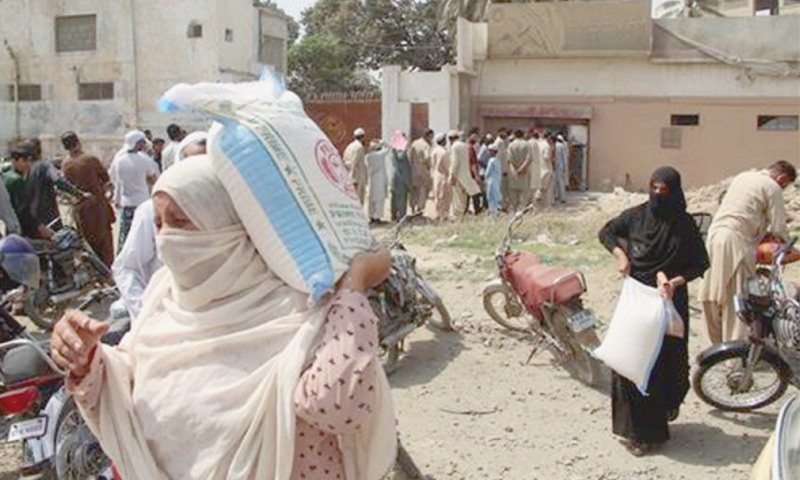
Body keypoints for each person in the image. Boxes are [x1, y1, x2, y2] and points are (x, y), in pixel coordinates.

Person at [50, 156, 397, 479]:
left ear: (231, 222)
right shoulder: (163, 298)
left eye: (181, 221)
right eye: (158, 224)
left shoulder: (301, 303)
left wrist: (354, 283)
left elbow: (337, 407)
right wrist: (85, 359)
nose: (167, 238)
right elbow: (123, 381)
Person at [598, 167, 709, 457]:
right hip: (638, 301)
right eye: (654, 189)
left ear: (674, 192)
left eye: (664, 191)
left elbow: (699, 263)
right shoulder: (636, 216)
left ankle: (665, 411)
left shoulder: (684, 225)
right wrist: (620, 254)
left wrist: (675, 281)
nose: (658, 196)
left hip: (670, 301)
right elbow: (607, 232)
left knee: (666, 365)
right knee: (633, 363)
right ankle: (640, 433)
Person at [112, 131, 208, 320]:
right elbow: (127, 267)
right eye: (191, 164)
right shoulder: (152, 212)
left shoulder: (232, 213)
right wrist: (146, 315)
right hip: (163, 319)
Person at [698, 160, 796, 344]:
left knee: (711, 293)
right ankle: (733, 357)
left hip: (714, 237)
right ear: (782, 178)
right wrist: (791, 246)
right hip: (736, 242)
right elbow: (778, 227)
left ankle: (713, 348)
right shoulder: (772, 187)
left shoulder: (743, 177)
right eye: (784, 185)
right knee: (736, 299)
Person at [60, 131, 116, 267]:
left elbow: (66, 190)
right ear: (78, 142)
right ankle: (109, 274)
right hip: (99, 209)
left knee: (88, 244)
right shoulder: (91, 159)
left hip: (82, 211)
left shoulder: (66, 164)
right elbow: (107, 180)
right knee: (105, 245)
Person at [109, 130, 160, 252]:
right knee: (144, 235)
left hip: (127, 204)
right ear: (138, 143)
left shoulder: (119, 160)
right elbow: (154, 180)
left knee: (126, 236)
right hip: (142, 201)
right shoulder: (144, 160)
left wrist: (116, 199)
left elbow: (116, 182)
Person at [23, 139, 87, 234]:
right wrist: (78, 194)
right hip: (49, 219)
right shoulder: (44, 165)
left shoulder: (26, 169)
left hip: (31, 220)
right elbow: (57, 180)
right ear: (40, 150)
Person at [448, 130, 480, 219]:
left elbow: (455, 163)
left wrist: (452, 176)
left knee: (458, 200)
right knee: (464, 199)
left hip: (458, 177)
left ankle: (458, 218)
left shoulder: (454, 147)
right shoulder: (465, 145)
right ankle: (462, 218)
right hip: (466, 176)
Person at [506, 130, 532, 213]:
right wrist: (522, 168)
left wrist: (517, 168)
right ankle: (520, 213)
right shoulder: (527, 144)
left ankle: (513, 212)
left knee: (513, 195)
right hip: (524, 172)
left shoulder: (511, 145)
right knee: (523, 195)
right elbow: (529, 159)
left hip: (514, 172)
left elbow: (510, 159)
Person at [409, 129, 433, 214]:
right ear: (428, 136)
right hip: (423, 171)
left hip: (413, 170)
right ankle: (420, 209)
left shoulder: (414, 143)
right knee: (422, 190)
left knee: (414, 191)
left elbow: (410, 157)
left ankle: (412, 208)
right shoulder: (426, 146)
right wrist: (429, 166)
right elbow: (427, 158)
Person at [366, 140, 389, 225]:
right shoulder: (379, 155)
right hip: (379, 179)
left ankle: (371, 216)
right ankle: (378, 217)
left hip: (371, 179)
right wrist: (382, 142)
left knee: (371, 200)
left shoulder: (367, 156)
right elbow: (388, 147)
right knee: (379, 199)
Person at [390, 131, 411, 222]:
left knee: (396, 199)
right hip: (401, 178)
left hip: (398, 177)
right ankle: (401, 217)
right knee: (401, 199)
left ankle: (395, 215)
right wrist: (406, 147)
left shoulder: (396, 148)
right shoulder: (398, 149)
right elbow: (401, 157)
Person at [343, 128, 368, 205]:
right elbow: (355, 162)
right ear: (362, 137)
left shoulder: (349, 146)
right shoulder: (359, 147)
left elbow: (344, 159)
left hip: (350, 173)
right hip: (357, 175)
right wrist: (352, 176)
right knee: (359, 197)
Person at [537, 133, 556, 208]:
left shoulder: (539, 144)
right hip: (546, 168)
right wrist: (553, 157)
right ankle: (547, 205)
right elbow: (547, 157)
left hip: (539, 168)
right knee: (547, 189)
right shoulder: (547, 146)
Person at [484, 144, 502, 217]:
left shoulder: (491, 161)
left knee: (491, 197)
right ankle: (496, 211)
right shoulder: (498, 160)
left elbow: (487, 173)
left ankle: (493, 213)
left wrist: (484, 178)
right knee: (496, 196)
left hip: (491, 181)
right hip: (497, 181)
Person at [527, 130, 542, 206]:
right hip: (538, 166)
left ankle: (531, 203)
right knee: (536, 186)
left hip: (531, 166)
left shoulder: (530, 143)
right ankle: (535, 203)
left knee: (530, 186)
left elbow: (529, 156)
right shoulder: (540, 143)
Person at [554, 134, 569, 204]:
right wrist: (565, 167)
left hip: (554, 166)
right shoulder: (562, 146)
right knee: (560, 182)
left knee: (555, 182)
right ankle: (562, 197)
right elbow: (564, 158)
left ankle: (556, 196)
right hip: (560, 166)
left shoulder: (554, 145)